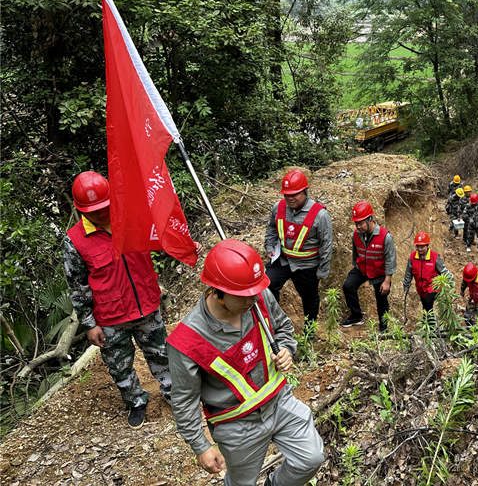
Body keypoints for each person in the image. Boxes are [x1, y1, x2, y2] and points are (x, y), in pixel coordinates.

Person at [167, 239, 324, 486]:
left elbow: (282, 326)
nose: (252, 299)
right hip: (236, 423)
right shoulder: (186, 342)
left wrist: (285, 348)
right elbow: (184, 400)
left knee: (311, 458)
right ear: (217, 293)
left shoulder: (256, 296)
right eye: (242, 296)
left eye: (254, 291)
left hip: (279, 401)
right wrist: (201, 446)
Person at [63, 171, 171, 429]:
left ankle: (173, 394)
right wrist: (90, 325)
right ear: (81, 210)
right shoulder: (75, 241)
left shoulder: (132, 219)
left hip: (146, 306)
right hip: (110, 319)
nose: (100, 214)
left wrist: (184, 246)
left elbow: (163, 238)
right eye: (93, 210)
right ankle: (136, 402)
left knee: (162, 356)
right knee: (120, 367)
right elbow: (77, 287)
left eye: (104, 207)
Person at [264, 169, 333, 330]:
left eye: (294, 194)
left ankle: (309, 333)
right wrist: (269, 246)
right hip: (283, 259)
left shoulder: (320, 215)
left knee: (309, 299)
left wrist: (322, 272)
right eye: (286, 195)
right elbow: (271, 228)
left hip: (307, 265)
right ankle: (275, 324)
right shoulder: (278, 207)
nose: (290, 198)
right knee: (267, 286)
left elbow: (326, 245)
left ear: (305, 191)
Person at [340, 201, 397, 331]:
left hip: (379, 272)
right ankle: (356, 316)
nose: (358, 226)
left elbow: (390, 260)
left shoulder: (385, 237)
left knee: (381, 301)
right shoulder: (356, 234)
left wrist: (387, 281)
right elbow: (356, 253)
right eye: (356, 223)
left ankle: (384, 329)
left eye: (360, 223)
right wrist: (356, 267)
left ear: (370, 219)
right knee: (348, 286)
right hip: (362, 268)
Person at [402, 231, 453, 314]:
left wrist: (451, 286)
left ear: (427, 245)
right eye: (418, 246)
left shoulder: (435, 257)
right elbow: (408, 274)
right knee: (426, 307)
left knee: (428, 308)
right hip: (421, 289)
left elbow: (445, 272)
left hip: (432, 289)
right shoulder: (412, 258)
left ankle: (429, 323)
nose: (420, 249)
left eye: (422, 247)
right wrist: (406, 288)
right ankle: (428, 322)